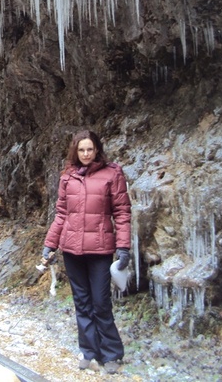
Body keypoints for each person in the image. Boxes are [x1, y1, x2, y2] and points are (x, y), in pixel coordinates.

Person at [43, 129, 133, 374]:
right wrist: (50, 244)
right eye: (81, 149)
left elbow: (122, 213)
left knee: (101, 302)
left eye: (89, 149)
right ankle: (89, 350)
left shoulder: (112, 174)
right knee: (82, 303)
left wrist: (123, 247)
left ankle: (111, 353)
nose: (85, 154)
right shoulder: (68, 177)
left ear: (97, 150)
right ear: (76, 150)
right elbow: (61, 214)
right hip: (71, 250)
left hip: (100, 250)